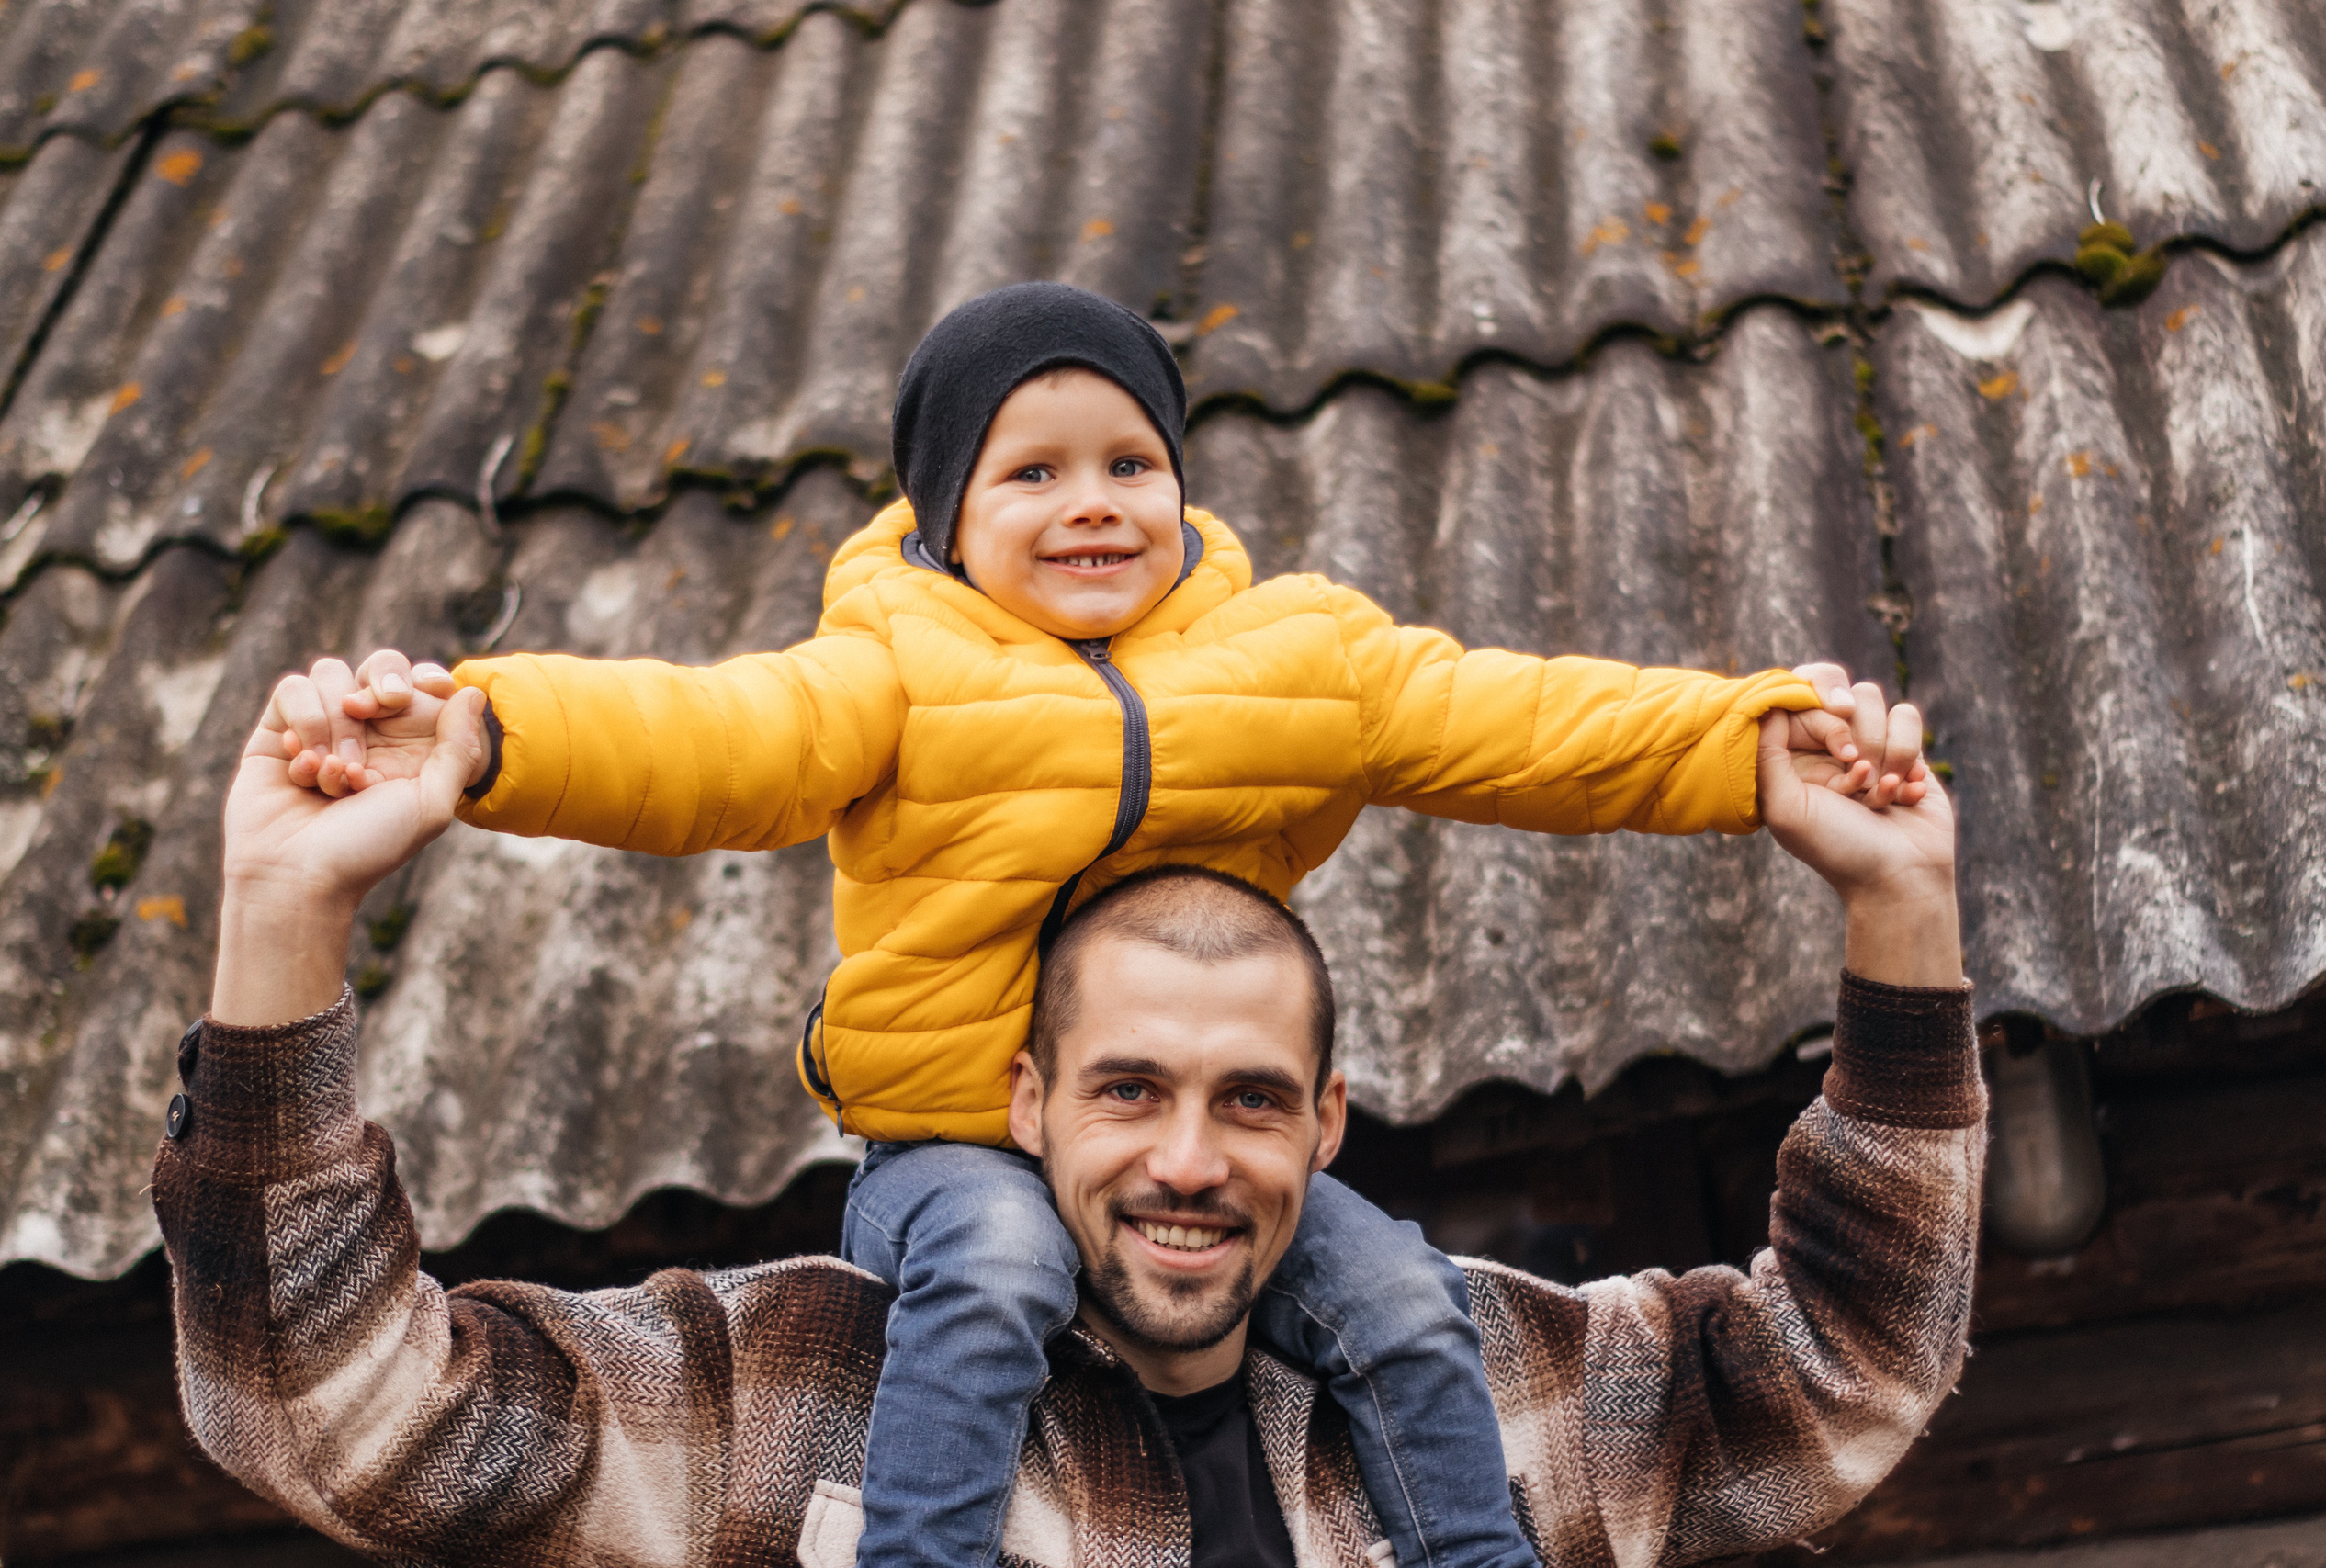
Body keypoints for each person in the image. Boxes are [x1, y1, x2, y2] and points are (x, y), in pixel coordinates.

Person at [255, 282, 1932, 1568]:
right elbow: (711, 740)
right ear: (939, 519)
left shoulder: (1290, 655)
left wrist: (1751, 748)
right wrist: (486, 738)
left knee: (1408, 1302)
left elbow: (1529, 724)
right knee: (996, 1265)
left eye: (1132, 462)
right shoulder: (894, 670)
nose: (1095, 503)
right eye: (1032, 471)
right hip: (944, 1146)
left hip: (1242, 1223)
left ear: (1319, 1110)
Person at [160, 669, 1979, 1567]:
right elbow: (332, 1412)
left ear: (1327, 1121)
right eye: (1126, 1087)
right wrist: (283, 915)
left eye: (1249, 1099)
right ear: (1022, 1099)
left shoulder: (1489, 1386)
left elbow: (1838, 1378)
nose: (1188, 1156)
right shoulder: (796, 1385)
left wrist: (1895, 910)